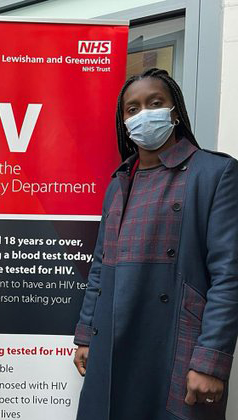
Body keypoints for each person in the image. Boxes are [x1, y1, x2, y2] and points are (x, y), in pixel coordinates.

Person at [72, 68, 238, 420]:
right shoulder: (118, 183)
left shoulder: (214, 173)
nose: (143, 113)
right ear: (124, 123)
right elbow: (100, 266)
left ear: (174, 111)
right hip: (112, 340)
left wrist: (211, 359)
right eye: (132, 109)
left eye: (155, 102)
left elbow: (229, 275)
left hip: (178, 348)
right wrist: (86, 334)